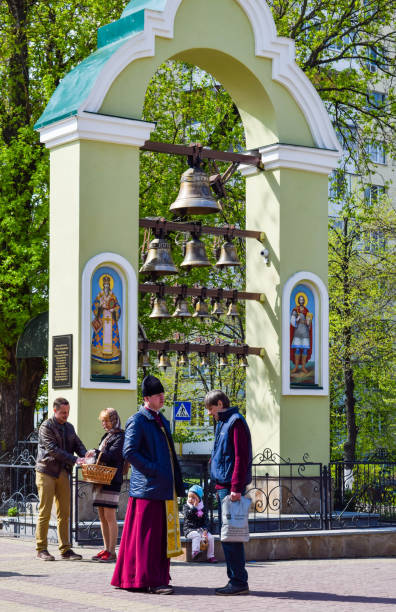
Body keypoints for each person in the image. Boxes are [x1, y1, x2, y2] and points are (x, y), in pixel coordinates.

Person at [111, 375, 185, 595]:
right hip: (148, 490)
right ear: (146, 398)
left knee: (159, 537)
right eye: (157, 395)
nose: (162, 397)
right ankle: (149, 580)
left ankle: (155, 577)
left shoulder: (161, 419)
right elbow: (129, 452)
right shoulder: (138, 419)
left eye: (163, 394)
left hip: (163, 488)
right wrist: (153, 470)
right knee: (148, 538)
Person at [205, 390, 252, 596]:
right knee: (228, 535)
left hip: (230, 487)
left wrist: (235, 487)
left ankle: (238, 581)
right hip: (222, 484)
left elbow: (241, 457)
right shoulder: (224, 422)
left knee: (232, 535)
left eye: (211, 408)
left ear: (221, 403)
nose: (209, 413)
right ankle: (235, 579)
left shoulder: (235, 422)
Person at [35, 397, 87, 561]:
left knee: (64, 513)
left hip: (63, 472)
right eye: (63, 412)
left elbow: (78, 444)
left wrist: (87, 455)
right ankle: (41, 549)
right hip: (46, 471)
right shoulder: (46, 426)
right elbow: (52, 449)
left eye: (68, 412)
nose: (66, 415)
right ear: (54, 410)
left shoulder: (69, 427)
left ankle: (65, 550)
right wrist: (74, 460)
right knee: (45, 511)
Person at [90, 408, 125, 563]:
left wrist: (96, 452)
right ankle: (106, 549)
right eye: (102, 421)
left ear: (114, 420)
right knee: (102, 516)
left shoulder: (120, 436)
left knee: (110, 516)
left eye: (106, 420)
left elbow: (114, 456)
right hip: (100, 479)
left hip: (112, 479)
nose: (104, 424)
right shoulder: (107, 435)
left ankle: (112, 551)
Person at [91, 273, 121, 373]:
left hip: (111, 320)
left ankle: (112, 359)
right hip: (102, 319)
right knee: (100, 337)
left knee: (112, 337)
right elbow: (94, 306)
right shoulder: (99, 295)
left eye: (108, 285)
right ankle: (99, 357)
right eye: (105, 285)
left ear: (110, 286)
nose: (106, 286)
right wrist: (99, 307)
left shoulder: (113, 296)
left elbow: (118, 307)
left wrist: (114, 310)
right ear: (103, 285)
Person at [183, 484, 217, 563]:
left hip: (200, 529)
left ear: (199, 499)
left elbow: (206, 520)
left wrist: (205, 530)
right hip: (189, 529)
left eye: (193, 497)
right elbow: (188, 516)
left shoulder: (203, 508)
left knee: (211, 538)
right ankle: (195, 552)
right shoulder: (186, 506)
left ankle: (210, 556)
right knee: (197, 535)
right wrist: (194, 508)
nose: (190, 499)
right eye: (189, 497)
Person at [290, 293, 313, 375]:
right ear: (298, 301)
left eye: (303, 300)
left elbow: (309, 323)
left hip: (305, 332)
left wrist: (309, 322)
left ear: (304, 301)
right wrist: (296, 319)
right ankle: (296, 367)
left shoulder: (306, 311)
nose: (302, 301)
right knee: (297, 349)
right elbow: (292, 322)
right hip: (298, 332)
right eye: (300, 300)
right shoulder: (295, 310)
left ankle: (303, 367)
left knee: (305, 349)